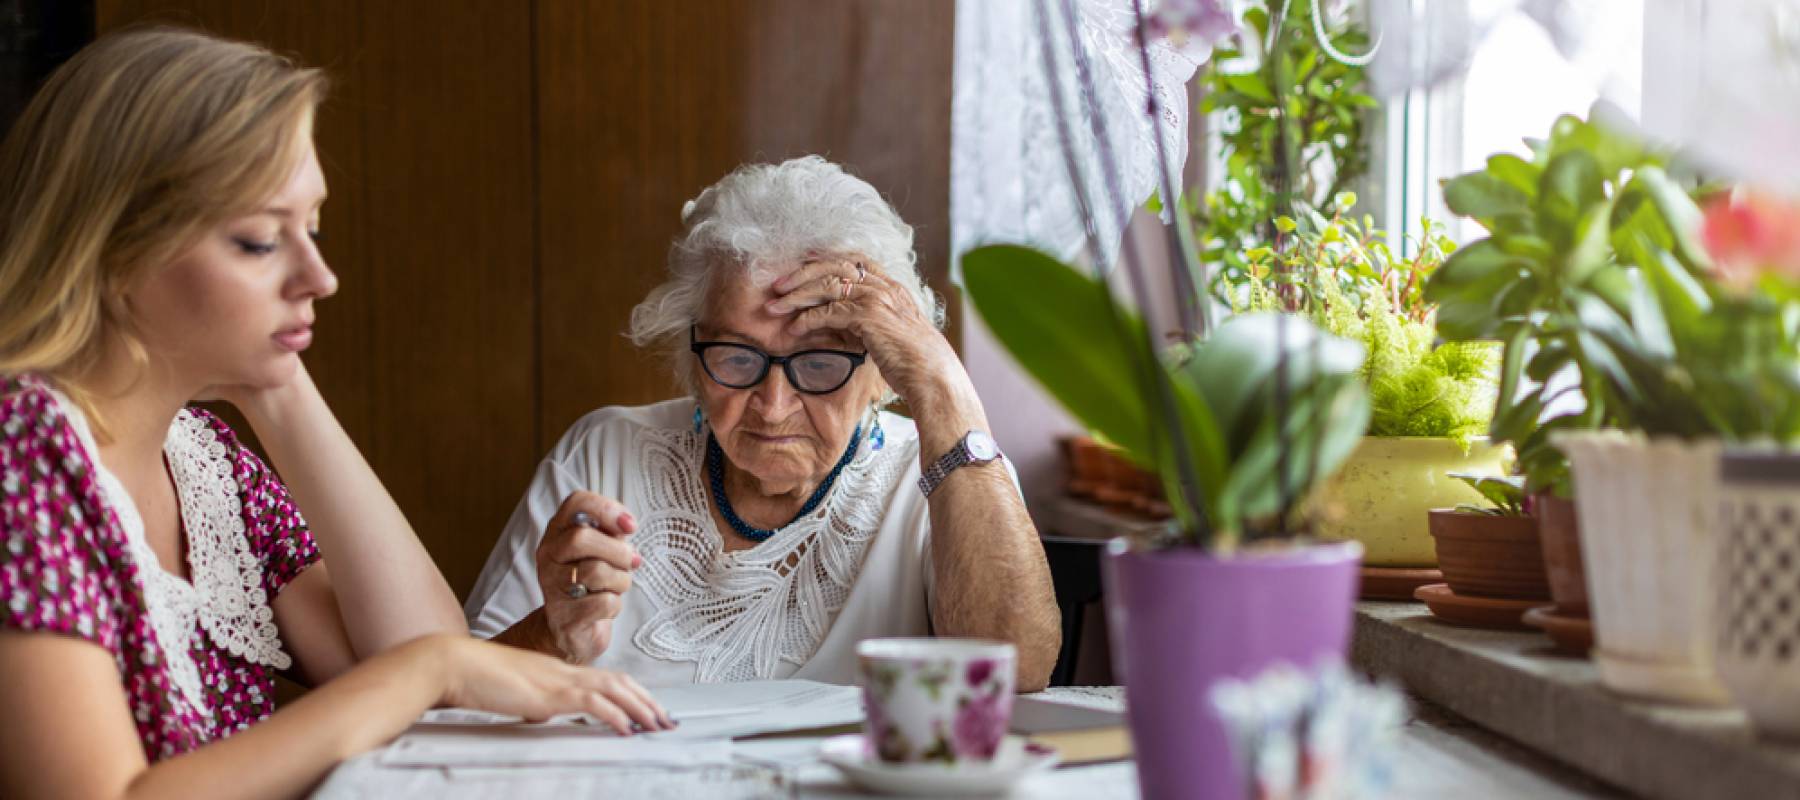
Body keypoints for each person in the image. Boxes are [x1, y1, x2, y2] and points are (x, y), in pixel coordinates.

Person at [0, 28, 666, 800]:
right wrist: (433, 669)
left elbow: (408, 662)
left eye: (311, 228)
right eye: (258, 240)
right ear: (112, 249)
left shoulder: (202, 459)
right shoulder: (23, 451)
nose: (320, 276)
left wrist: (278, 386)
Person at [466, 156, 1061, 690]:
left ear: (882, 375)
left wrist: (941, 386)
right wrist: (555, 635)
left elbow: (1016, 673)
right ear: (693, 361)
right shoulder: (606, 453)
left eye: (821, 362)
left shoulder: (944, 472)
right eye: (737, 357)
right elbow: (458, 690)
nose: (773, 406)